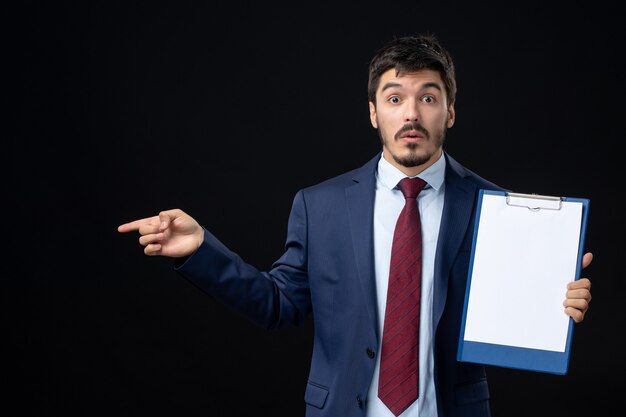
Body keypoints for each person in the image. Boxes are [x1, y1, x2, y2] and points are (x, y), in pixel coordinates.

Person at [117, 33, 593, 417]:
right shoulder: (318, 206)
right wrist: (202, 250)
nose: (411, 113)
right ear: (373, 113)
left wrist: (556, 303)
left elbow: (515, 310)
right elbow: (277, 304)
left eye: (428, 97)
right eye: (394, 98)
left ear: (449, 110)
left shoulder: (500, 209)